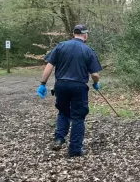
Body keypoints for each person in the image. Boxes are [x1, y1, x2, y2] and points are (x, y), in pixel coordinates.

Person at [37, 24, 102, 157]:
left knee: (63, 112)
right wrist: (96, 83)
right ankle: (75, 149)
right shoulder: (88, 50)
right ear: (85, 35)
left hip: (61, 85)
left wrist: (43, 83)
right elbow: (95, 74)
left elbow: (49, 66)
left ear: (73, 34)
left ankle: (59, 139)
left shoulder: (61, 46)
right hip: (78, 86)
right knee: (78, 117)